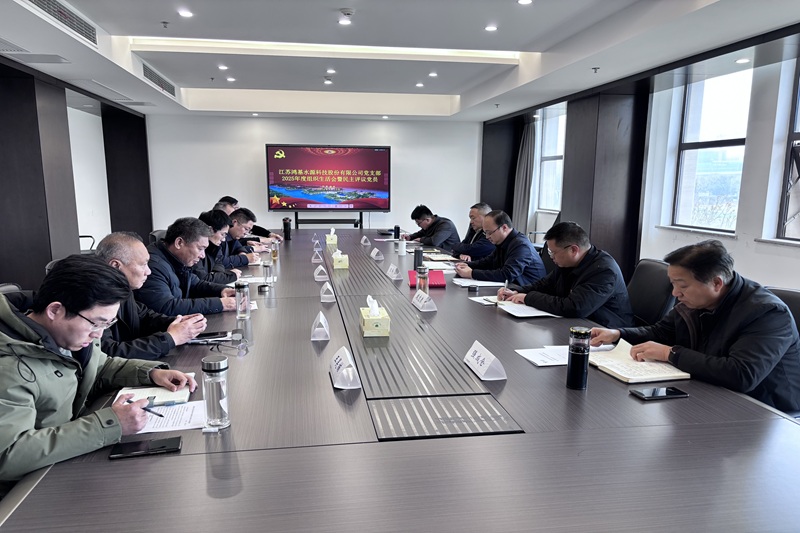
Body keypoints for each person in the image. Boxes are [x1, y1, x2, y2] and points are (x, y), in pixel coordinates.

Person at [0, 255, 197, 495]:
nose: (99, 334)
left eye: (107, 324)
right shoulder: (9, 365)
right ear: (55, 310)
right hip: (25, 492)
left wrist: (151, 372)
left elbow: (101, 366)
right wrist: (109, 424)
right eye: (96, 323)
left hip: (63, 462)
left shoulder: (68, 337)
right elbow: (9, 454)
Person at [590, 240, 800, 412]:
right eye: (672, 284)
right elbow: (660, 332)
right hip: (709, 392)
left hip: (765, 411)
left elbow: (742, 375)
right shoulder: (696, 302)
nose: (675, 293)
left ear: (716, 283)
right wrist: (617, 334)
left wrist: (671, 354)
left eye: (682, 286)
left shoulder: (767, 313)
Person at [497, 221, 633, 328]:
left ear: (573, 250)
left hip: (605, 332)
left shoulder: (604, 271)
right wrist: (516, 291)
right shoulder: (568, 263)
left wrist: (528, 298)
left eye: (553, 252)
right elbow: (545, 285)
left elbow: (574, 307)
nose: (551, 257)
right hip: (577, 325)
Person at [96, 232, 208, 359]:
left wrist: (178, 322)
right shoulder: (93, 301)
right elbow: (108, 353)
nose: (148, 271)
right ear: (116, 266)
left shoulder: (122, 287)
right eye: (143, 264)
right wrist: (171, 338)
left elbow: (144, 317)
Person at [135, 217, 237, 315]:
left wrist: (222, 290)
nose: (203, 255)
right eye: (200, 249)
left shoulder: (176, 259)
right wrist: (220, 304)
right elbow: (166, 307)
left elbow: (195, 284)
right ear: (179, 243)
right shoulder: (153, 266)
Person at [455, 210, 545, 286]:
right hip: (512, 288)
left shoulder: (521, 246)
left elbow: (507, 274)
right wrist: (466, 265)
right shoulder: (502, 242)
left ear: (504, 228)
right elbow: (487, 262)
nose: (487, 237)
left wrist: (471, 273)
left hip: (528, 291)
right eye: (485, 233)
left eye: (489, 232)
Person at [195, 210, 241, 284]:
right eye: (222, 234)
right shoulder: (195, 250)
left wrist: (219, 275)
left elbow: (219, 263)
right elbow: (203, 279)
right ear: (210, 230)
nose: (224, 239)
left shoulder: (214, 247)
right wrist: (231, 276)